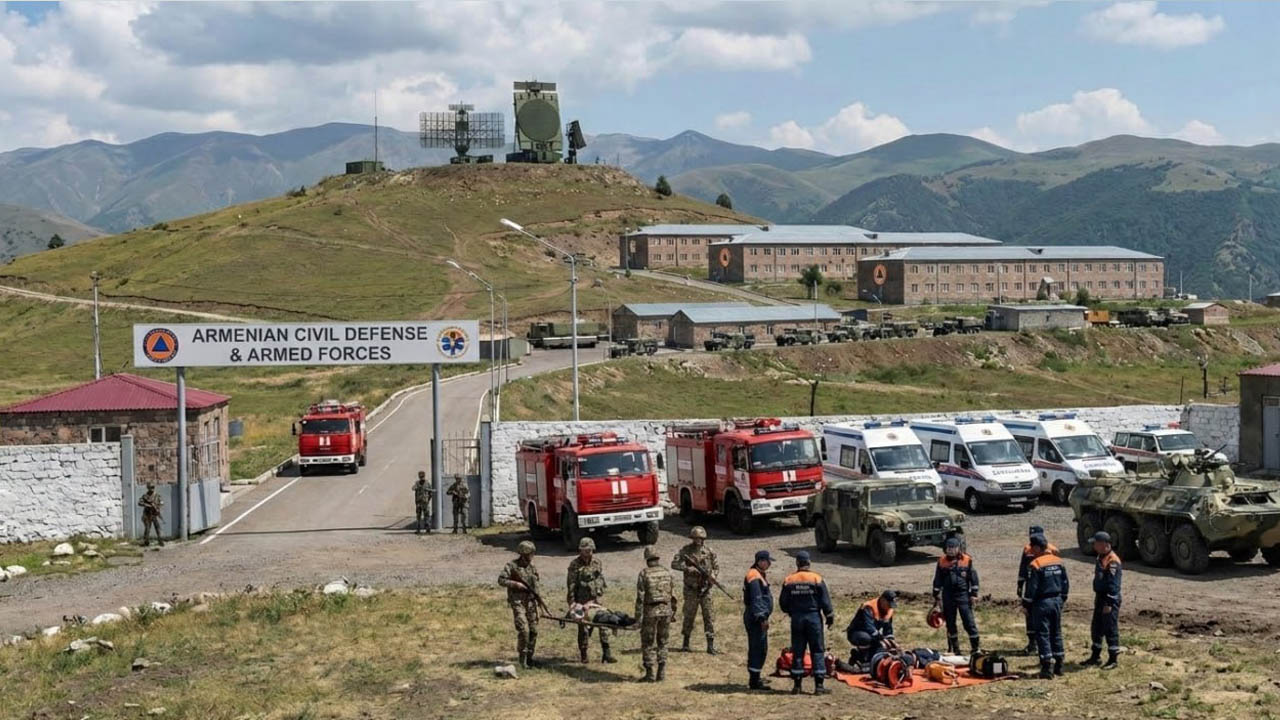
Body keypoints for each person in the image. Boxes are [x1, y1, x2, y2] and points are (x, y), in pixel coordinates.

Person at [779, 551, 834, 695]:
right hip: (813, 617)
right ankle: (819, 686)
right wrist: (829, 615)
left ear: (797, 563)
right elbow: (825, 600)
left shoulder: (789, 580)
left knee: (798, 650)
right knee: (817, 650)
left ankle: (797, 685)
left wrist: (792, 611)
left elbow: (783, 603)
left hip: (797, 619)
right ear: (808, 563)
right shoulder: (816, 578)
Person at [1023, 533, 1069, 679]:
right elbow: (1065, 583)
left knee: (1042, 634)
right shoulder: (1059, 561)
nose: (1030, 551)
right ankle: (1059, 665)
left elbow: (1032, 589)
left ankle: (1046, 667)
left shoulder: (1035, 564)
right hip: (1056, 601)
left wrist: (1026, 605)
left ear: (1037, 548)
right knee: (1056, 632)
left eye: (1032, 548)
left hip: (1042, 603)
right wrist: (1062, 599)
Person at [567, 537, 616, 664]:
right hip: (581, 602)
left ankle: (606, 654)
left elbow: (600, 579)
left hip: (595, 600)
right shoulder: (574, 565)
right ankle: (584, 654)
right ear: (580, 551)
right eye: (585, 550)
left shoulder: (597, 563)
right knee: (583, 628)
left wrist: (599, 594)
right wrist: (572, 602)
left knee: (603, 624)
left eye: (590, 550)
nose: (588, 553)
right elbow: (571, 584)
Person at [672, 526, 719, 655]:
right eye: (695, 538)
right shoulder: (686, 550)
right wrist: (687, 569)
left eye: (700, 538)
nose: (698, 540)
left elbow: (716, 567)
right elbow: (674, 564)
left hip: (706, 589)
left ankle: (710, 645)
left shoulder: (709, 552)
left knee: (709, 616)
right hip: (691, 589)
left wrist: (714, 576)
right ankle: (686, 643)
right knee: (689, 616)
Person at [635, 546, 677, 682]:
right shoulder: (667, 572)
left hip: (650, 611)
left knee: (648, 642)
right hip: (666, 610)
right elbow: (673, 595)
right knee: (663, 641)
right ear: (658, 558)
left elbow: (640, 598)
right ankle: (661, 672)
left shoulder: (644, 574)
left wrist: (637, 618)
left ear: (647, 559)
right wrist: (673, 613)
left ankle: (649, 673)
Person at [933, 536, 981, 655]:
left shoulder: (967, 560)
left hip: (963, 595)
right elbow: (937, 579)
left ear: (958, 548)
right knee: (950, 622)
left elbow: (973, 578)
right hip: (948, 596)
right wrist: (936, 595)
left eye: (953, 548)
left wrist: (974, 594)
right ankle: (955, 649)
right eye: (949, 548)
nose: (951, 550)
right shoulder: (941, 562)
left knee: (969, 621)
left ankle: (975, 648)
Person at [498, 541, 542, 668]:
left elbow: (536, 586)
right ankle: (522, 659)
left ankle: (530, 657)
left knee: (534, 630)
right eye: (530, 554)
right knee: (524, 630)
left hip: (530, 602)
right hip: (518, 602)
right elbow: (501, 580)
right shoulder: (512, 566)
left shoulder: (532, 568)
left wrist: (538, 600)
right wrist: (515, 584)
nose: (532, 556)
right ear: (524, 554)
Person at [1083, 531, 1123, 669]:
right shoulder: (1100, 557)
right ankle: (1095, 656)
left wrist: (1109, 603)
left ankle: (1113, 659)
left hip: (1108, 599)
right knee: (1097, 627)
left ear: (1104, 544)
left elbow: (1114, 585)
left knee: (1110, 628)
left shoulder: (1112, 561)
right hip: (1100, 597)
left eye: (1095, 543)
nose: (1093, 546)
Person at [1017, 525, 1058, 654]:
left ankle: (1047, 646)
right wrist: (1020, 583)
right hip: (1031, 585)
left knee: (1044, 618)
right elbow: (1023, 567)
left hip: (1044, 587)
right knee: (1029, 615)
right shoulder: (1027, 549)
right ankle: (1032, 643)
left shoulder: (1053, 550)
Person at [743, 550, 774, 691]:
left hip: (755, 616)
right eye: (768, 561)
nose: (769, 564)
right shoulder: (754, 576)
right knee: (758, 648)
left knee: (759, 647)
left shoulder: (756, 574)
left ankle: (755, 677)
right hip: (756, 618)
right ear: (761, 561)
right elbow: (757, 599)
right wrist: (762, 617)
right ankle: (754, 681)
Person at [846, 590, 897, 667]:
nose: (889, 607)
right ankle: (862, 659)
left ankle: (861, 657)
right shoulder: (868, 607)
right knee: (866, 638)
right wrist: (882, 639)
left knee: (881, 649)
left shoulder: (888, 610)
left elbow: (888, 630)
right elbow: (869, 628)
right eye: (888, 604)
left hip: (872, 635)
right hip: (856, 633)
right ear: (883, 600)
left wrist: (891, 642)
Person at [139, 483, 164, 547]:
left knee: (158, 528)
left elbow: (161, 502)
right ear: (148, 488)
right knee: (147, 528)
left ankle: (160, 540)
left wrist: (157, 507)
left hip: (154, 514)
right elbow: (140, 503)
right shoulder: (145, 496)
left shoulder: (157, 495)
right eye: (151, 487)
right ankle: (146, 541)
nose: (152, 489)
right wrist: (148, 505)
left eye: (153, 487)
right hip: (147, 515)